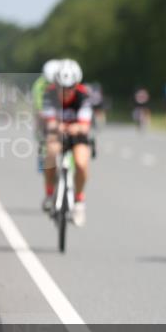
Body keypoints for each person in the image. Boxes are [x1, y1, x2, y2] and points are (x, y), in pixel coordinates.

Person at [41, 60, 94, 227]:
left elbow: (85, 126)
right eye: (61, 88)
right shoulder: (48, 94)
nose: (65, 92)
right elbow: (48, 122)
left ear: (75, 86)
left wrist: (75, 127)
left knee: (81, 163)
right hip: (57, 133)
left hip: (77, 134)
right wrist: (58, 126)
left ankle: (79, 201)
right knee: (50, 154)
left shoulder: (83, 95)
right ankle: (50, 194)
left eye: (69, 88)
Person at [32, 59, 60, 172]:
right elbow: (38, 104)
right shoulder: (39, 84)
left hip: (58, 108)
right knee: (41, 128)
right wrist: (42, 114)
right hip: (44, 109)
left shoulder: (62, 81)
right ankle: (42, 154)